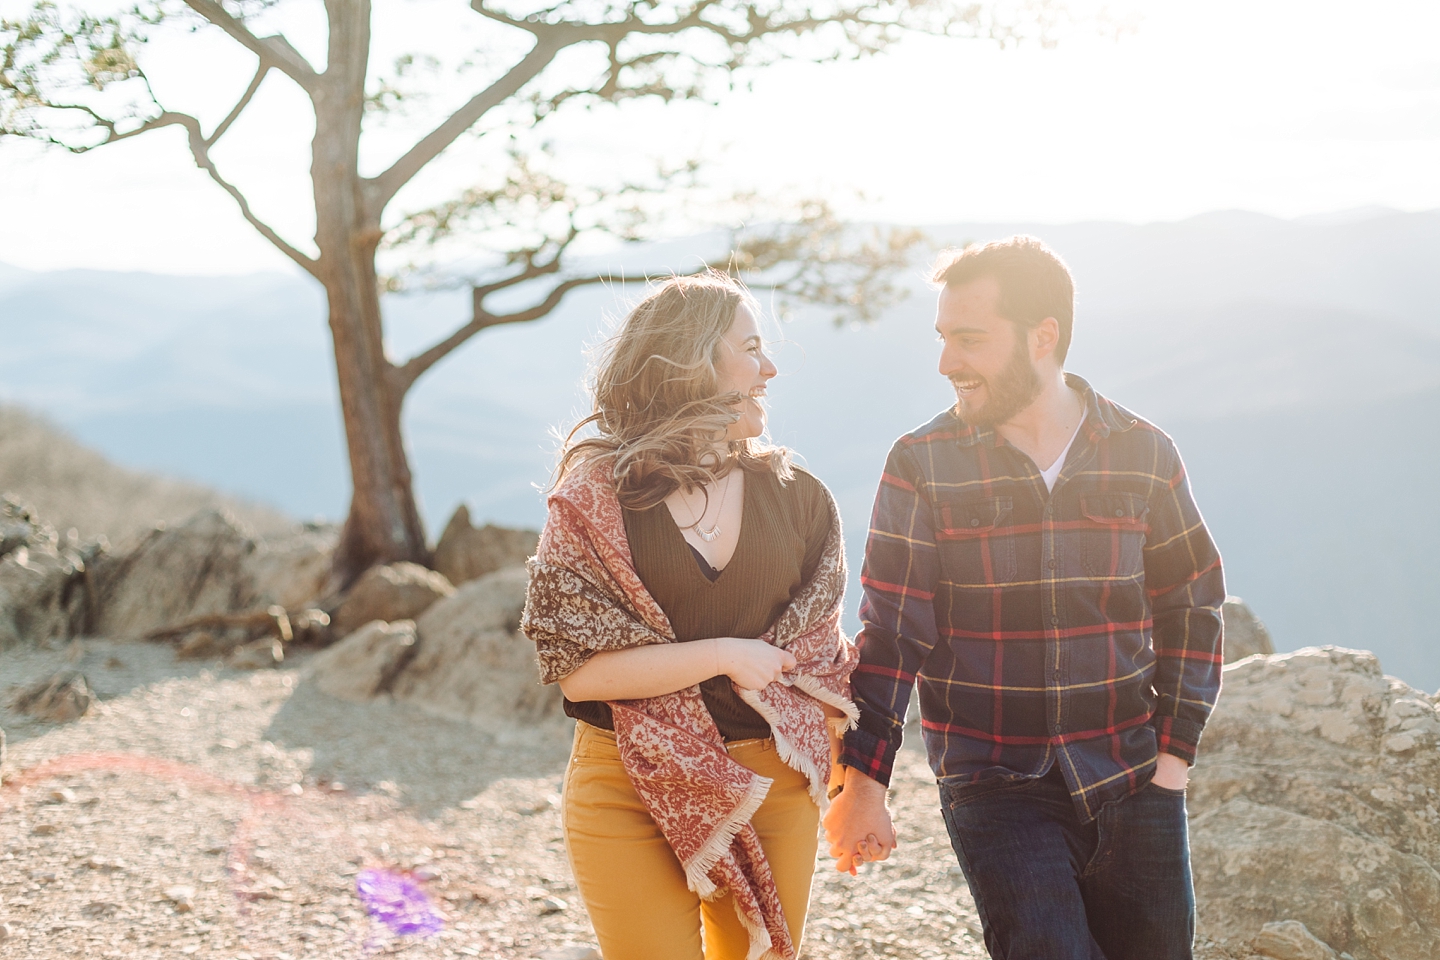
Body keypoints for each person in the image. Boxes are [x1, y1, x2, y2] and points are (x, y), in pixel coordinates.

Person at [823, 236, 1224, 959]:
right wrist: (864, 782)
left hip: (1134, 776)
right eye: (944, 338)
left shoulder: (1144, 452)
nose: (948, 363)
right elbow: (892, 633)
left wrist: (1173, 761)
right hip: (994, 784)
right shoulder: (922, 464)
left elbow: (1192, 604)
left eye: (970, 339)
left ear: (1044, 337)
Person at [522, 271, 858, 960]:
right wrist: (726, 655)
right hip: (624, 781)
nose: (770, 367)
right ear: (692, 364)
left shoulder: (800, 500)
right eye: (752, 347)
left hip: (769, 781)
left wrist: (861, 789)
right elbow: (580, 673)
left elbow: (821, 662)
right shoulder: (592, 496)